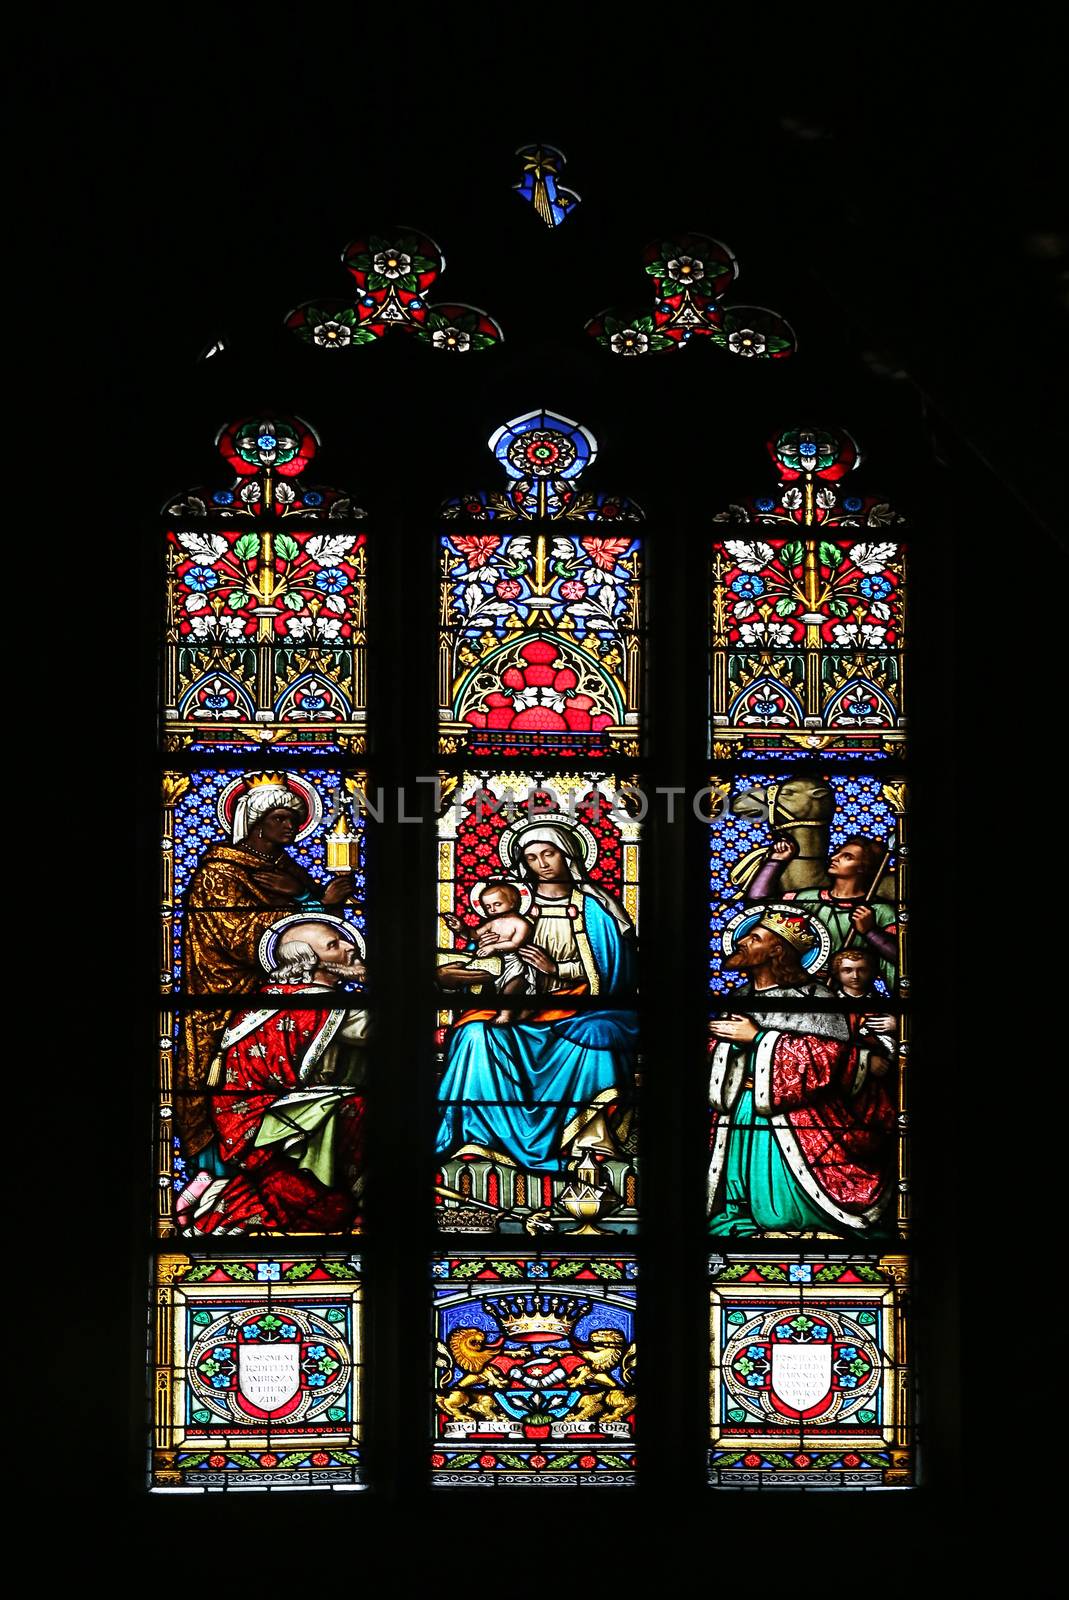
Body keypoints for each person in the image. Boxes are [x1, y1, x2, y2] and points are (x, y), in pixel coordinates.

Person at [435, 821, 637, 1174]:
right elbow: (487, 958)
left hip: (578, 1005)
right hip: (517, 1004)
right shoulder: (514, 908)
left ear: (568, 854)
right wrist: (463, 969)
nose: (542, 864)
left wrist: (556, 970)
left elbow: (614, 973)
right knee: (473, 1035)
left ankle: (589, 1140)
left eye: (549, 853)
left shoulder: (595, 910)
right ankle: (478, 1136)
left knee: (594, 1038)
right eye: (531, 857)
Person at [176, 773, 356, 1161]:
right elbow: (238, 935)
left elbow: (314, 933)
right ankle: (217, 1177)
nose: (290, 826)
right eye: (280, 818)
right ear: (256, 821)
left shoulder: (289, 871)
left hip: (286, 997)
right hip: (225, 994)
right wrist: (312, 902)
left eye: (293, 818)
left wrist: (315, 901)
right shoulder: (219, 871)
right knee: (223, 1084)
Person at [176, 915, 368, 1235]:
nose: (351, 947)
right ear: (309, 962)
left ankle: (215, 1204)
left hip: (255, 1119)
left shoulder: (269, 999)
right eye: (334, 945)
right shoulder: (319, 1002)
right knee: (364, 1108)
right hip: (269, 1118)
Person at [708, 909, 893, 1236]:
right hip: (743, 1106)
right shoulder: (738, 997)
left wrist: (758, 1038)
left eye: (754, 939)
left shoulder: (817, 997)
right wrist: (724, 1045)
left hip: (800, 1118)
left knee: (780, 1213)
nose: (741, 942)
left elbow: (833, 1059)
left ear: (776, 951)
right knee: (741, 1199)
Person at [745, 832, 897, 989]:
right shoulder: (806, 899)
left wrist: (870, 932)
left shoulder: (880, 911)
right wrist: (776, 861)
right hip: (801, 987)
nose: (834, 858)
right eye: (837, 853)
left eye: (847, 857)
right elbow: (757, 906)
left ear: (863, 868)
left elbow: (900, 957)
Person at [439, 880, 537, 1025]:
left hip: (514, 963)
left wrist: (494, 947)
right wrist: (460, 929)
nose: (492, 909)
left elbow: (515, 943)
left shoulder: (521, 923)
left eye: (497, 904)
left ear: (513, 902)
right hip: (490, 962)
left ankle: (505, 1014)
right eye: (488, 906)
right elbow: (474, 935)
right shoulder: (492, 922)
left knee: (511, 988)